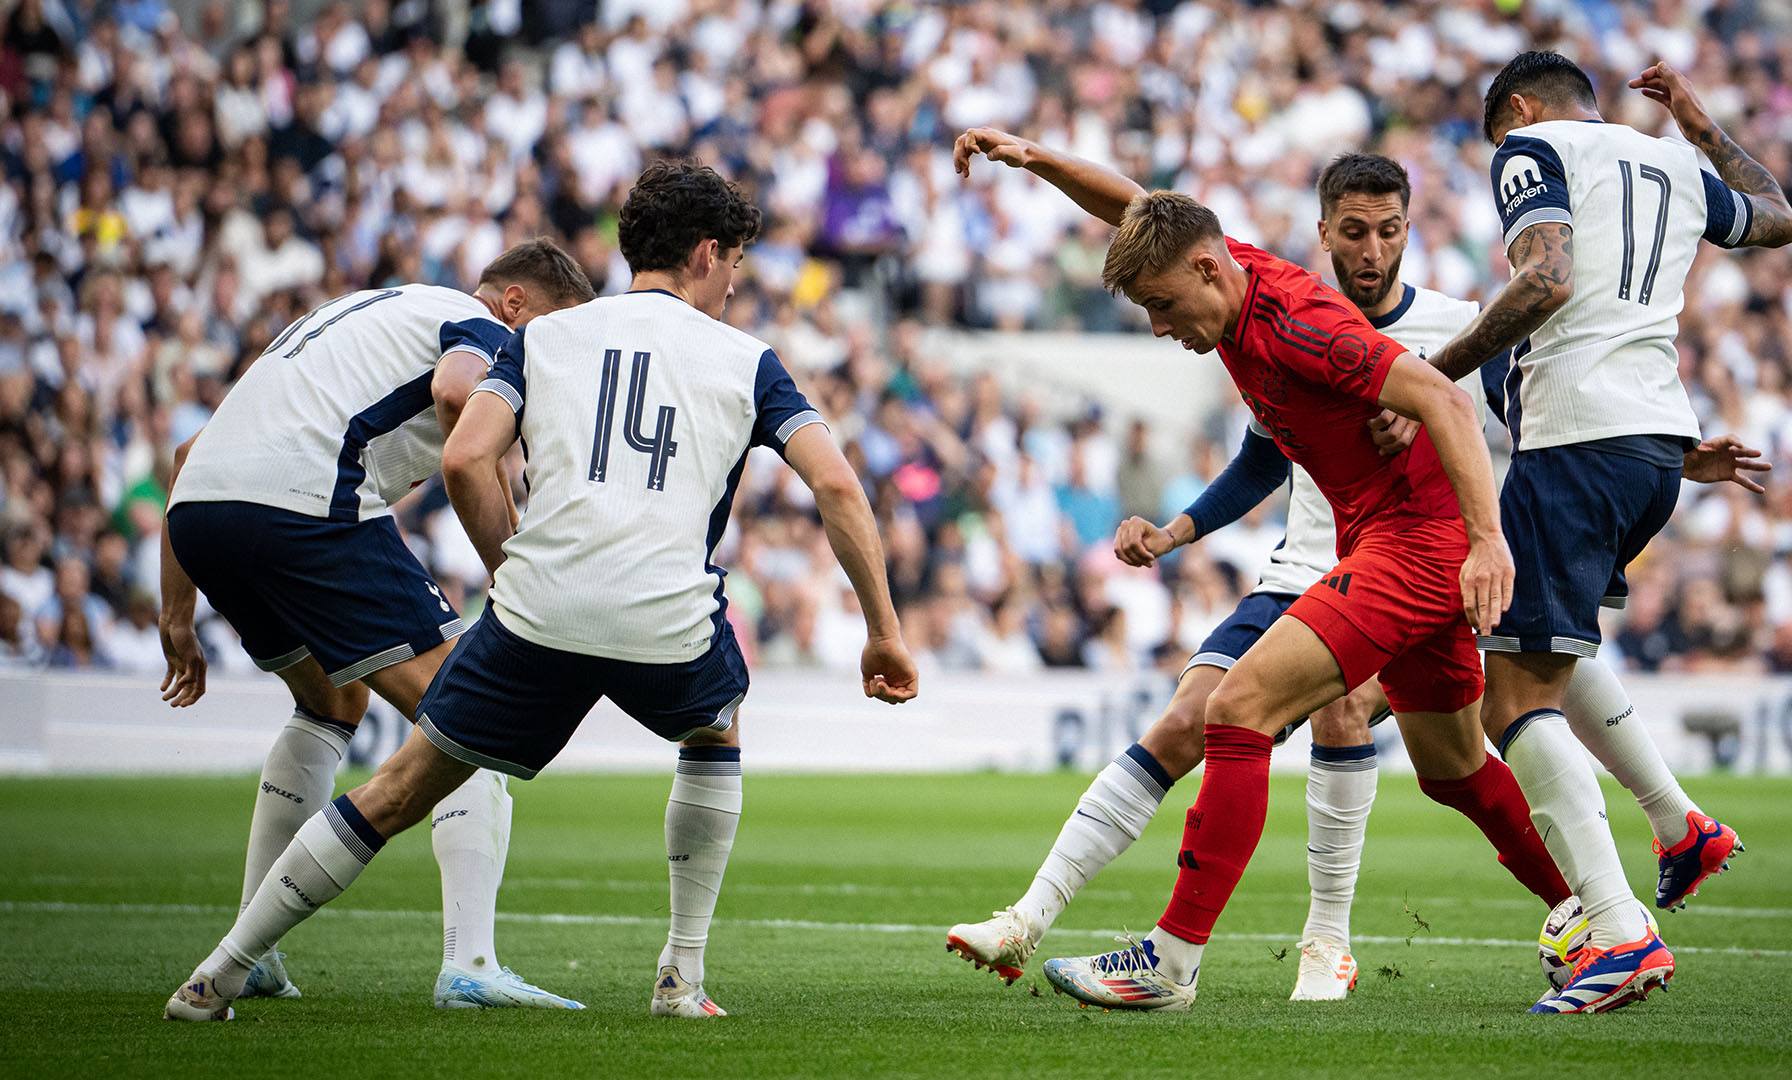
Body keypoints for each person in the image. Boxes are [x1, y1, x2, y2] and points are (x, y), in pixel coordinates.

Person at [164, 161, 919, 1023]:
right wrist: (883, 630)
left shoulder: (544, 338)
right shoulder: (749, 360)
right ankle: (679, 978)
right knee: (716, 723)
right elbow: (838, 487)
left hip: (536, 613)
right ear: (709, 254)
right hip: (663, 616)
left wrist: (515, 563)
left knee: (402, 785)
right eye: (737, 266)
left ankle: (219, 973)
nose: (736, 286)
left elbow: (463, 455)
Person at [947, 152, 1573, 1004]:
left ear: (1207, 272)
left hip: (1413, 543)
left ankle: (1172, 960)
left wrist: (1487, 543)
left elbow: (1448, 401)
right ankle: (1598, 918)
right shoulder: (1220, 269)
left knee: (1235, 709)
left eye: (1162, 307)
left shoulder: (1302, 325)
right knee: (1454, 767)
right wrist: (1028, 156)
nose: (1161, 327)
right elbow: (1138, 206)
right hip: (1385, 539)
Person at [1420, 53, 1792, 1013]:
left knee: (1509, 702)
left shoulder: (1531, 146)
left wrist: (1441, 375)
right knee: (1544, 644)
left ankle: (1622, 935)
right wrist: (1703, 124)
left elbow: (1545, 277)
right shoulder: (1673, 160)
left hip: (1578, 439)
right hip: (1657, 446)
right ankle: (1682, 826)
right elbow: (1778, 218)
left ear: (1520, 108)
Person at [160, 238, 598, 1009]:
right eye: (555, 335)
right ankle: (472, 963)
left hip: (203, 515)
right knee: (475, 711)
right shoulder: (480, 326)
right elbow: (460, 397)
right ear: (517, 305)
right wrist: (514, 566)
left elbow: (189, 453)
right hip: (303, 505)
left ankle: (255, 956)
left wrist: (175, 612)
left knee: (332, 703)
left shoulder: (372, 313)